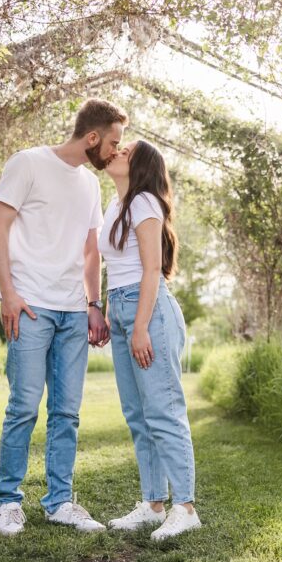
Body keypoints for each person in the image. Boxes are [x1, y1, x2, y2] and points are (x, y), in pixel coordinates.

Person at [0, 99, 124, 537]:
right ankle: (8, 503)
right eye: (113, 143)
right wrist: (8, 293)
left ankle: (60, 501)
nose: (115, 152)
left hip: (71, 311)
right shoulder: (27, 163)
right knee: (23, 407)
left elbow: (90, 251)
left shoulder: (90, 185)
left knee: (66, 413)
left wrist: (93, 304)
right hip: (29, 306)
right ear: (92, 138)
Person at [100, 139, 201, 541]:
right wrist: (111, 311)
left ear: (140, 166)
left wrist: (139, 325)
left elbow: (151, 270)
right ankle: (153, 503)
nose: (117, 152)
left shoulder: (144, 203)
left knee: (164, 411)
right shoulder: (115, 206)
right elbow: (117, 267)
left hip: (150, 312)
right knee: (138, 415)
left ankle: (186, 507)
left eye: (126, 151)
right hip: (123, 310)